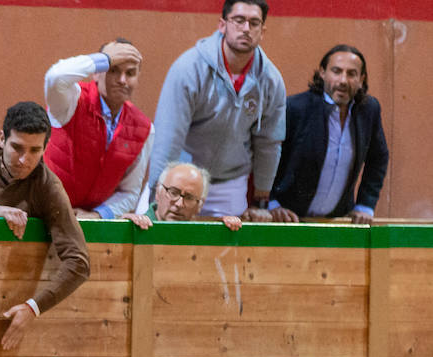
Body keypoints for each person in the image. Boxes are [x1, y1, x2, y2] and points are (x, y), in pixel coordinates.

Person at [0, 101, 91, 349]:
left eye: (35, 151)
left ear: (45, 148)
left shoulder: (49, 187)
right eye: (17, 147)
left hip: (8, 302)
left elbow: (79, 262)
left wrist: (33, 307)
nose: (25, 160)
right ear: (2, 138)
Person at [149, 0, 284, 220]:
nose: (246, 28)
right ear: (222, 25)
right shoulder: (188, 68)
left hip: (230, 185)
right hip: (182, 181)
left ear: (263, 31)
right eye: (239, 20)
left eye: (254, 23)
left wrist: (262, 197)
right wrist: (157, 196)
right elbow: (169, 137)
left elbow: (270, 142)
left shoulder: (271, 80)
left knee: (223, 254)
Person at [271, 44, 388, 225]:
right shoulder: (295, 108)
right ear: (322, 73)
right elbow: (268, 154)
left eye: (351, 74)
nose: (343, 80)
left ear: (361, 79)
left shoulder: (368, 110)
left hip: (337, 221)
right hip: (288, 219)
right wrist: (271, 203)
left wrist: (365, 205)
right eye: (336, 71)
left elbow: (378, 158)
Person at [43, 39, 153, 221]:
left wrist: (98, 215)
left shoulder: (145, 129)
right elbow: (55, 77)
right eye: (113, 70)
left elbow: (129, 192)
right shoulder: (72, 100)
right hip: (45, 214)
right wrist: (104, 59)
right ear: (96, 73)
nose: (122, 80)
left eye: (130, 73)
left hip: (93, 226)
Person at [125, 161, 242, 231]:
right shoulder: (133, 226)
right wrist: (123, 225)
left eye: (189, 198)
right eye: (173, 192)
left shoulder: (203, 234)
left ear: (200, 205)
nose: (179, 204)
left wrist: (224, 228)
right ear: (158, 192)